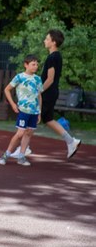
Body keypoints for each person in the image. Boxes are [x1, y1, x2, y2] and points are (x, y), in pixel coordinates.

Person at [40, 29, 81, 158]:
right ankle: (71, 141)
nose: (44, 41)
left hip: (48, 93)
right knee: (48, 119)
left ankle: (23, 148)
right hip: (51, 93)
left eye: (47, 39)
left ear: (53, 42)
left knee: (33, 118)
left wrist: (39, 90)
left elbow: (50, 79)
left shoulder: (53, 57)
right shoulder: (55, 56)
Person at [0, 54, 43, 166]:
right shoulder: (19, 77)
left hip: (34, 111)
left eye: (37, 64)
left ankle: (21, 157)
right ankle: (6, 154)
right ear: (26, 65)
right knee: (20, 134)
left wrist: (39, 112)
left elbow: (39, 96)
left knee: (29, 133)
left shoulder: (38, 79)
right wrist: (13, 104)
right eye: (33, 64)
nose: (35, 66)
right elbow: (7, 90)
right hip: (23, 110)